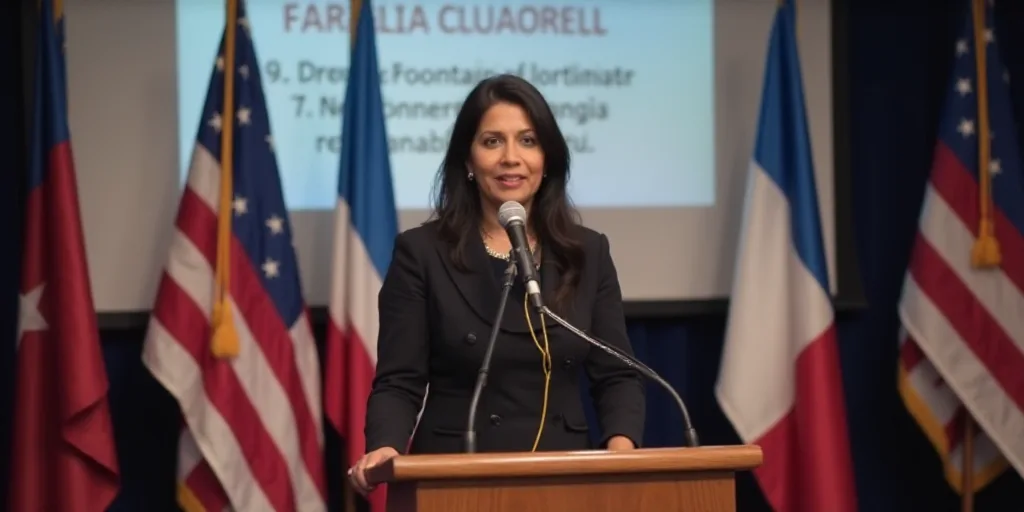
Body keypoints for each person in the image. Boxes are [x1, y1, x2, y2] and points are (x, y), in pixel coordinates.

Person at [347, 74, 645, 495]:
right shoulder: (422, 253)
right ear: (468, 161)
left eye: (527, 140)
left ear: (547, 158)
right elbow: (400, 380)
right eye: (492, 142)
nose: (511, 158)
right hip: (454, 479)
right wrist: (385, 445)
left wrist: (621, 453)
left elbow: (617, 375)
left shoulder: (587, 251)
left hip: (566, 479)